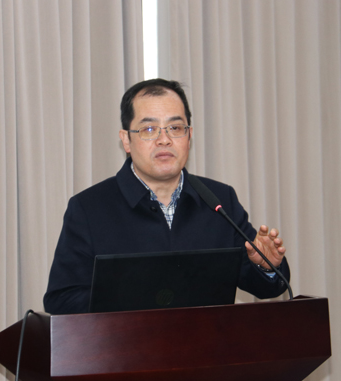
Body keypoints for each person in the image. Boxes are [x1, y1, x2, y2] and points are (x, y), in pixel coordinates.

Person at [43, 79, 290, 315]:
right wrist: (135, 296)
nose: (164, 140)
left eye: (175, 128)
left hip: (208, 343)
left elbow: (264, 286)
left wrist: (267, 266)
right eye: (149, 129)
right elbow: (62, 299)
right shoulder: (89, 208)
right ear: (126, 140)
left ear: (189, 136)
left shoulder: (218, 200)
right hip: (126, 344)